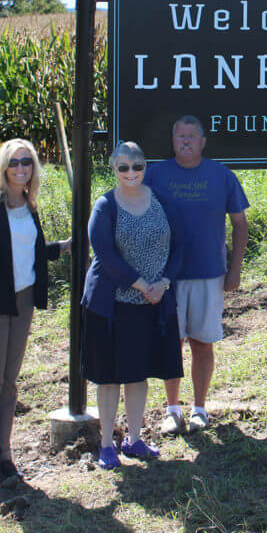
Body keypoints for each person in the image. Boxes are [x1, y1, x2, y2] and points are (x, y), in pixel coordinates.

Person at [0, 139, 70, 487]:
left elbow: (30, 251)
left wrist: (62, 247)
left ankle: (6, 455)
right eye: (15, 163)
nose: (21, 169)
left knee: (9, 384)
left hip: (22, 302)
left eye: (27, 162)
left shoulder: (27, 203)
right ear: (3, 167)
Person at [81, 142, 184, 469]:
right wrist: (142, 285)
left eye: (137, 166)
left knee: (138, 374)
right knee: (110, 376)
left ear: (144, 167)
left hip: (152, 302)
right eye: (123, 167)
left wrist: (163, 284)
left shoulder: (161, 201)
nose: (131, 173)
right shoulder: (105, 206)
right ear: (113, 168)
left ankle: (135, 439)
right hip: (111, 305)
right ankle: (107, 444)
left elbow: (179, 247)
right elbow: (106, 256)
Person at [145, 115, 249, 435]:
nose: (186, 141)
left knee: (202, 343)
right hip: (167, 278)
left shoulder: (221, 175)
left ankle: (199, 408)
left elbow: (240, 224)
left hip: (208, 274)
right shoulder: (155, 174)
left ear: (203, 142)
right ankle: (172, 409)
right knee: (171, 344)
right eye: (180, 136)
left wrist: (234, 269)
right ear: (172, 141)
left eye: (192, 136)